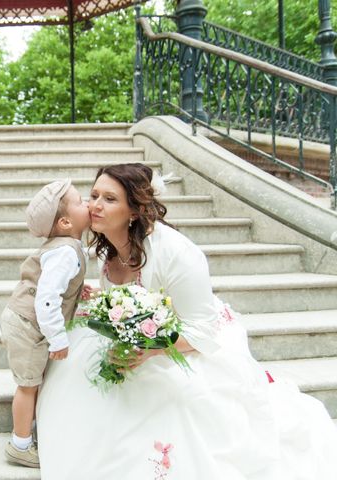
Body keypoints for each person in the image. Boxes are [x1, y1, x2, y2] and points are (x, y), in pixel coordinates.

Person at [36, 163, 337, 479]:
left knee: (178, 398)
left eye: (110, 199)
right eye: (94, 194)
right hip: (143, 330)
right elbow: (130, 293)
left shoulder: (178, 252)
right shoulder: (103, 248)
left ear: (134, 211)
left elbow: (202, 331)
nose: (95, 205)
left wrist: (149, 349)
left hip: (192, 340)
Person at [0, 179, 91, 468]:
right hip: (28, 325)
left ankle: (31, 430)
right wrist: (59, 338)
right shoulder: (64, 250)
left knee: (33, 382)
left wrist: (79, 290)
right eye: (79, 201)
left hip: (28, 322)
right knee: (28, 385)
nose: (87, 202)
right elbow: (47, 299)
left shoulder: (67, 246)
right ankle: (20, 445)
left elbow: (57, 286)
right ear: (65, 222)